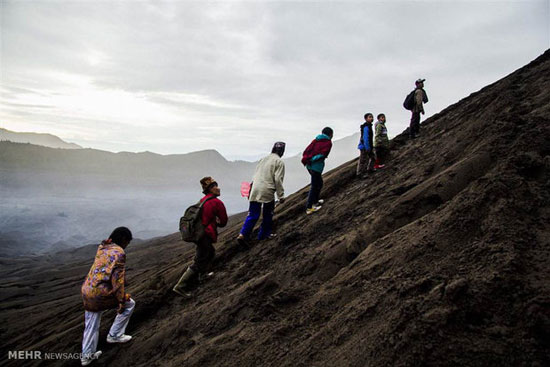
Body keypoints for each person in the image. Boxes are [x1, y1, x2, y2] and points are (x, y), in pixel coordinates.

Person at [80, 227, 135, 366]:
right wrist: (121, 299)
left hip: (87, 290)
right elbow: (118, 281)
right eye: (127, 242)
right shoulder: (120, 253)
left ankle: (86, 356)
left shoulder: (103, 247)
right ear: (123, 239)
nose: (126, 246)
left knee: (91, 323)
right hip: (100, 293)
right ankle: (115, 335)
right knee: (129, 304)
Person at [173, 177, 228, 297]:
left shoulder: (203, 200)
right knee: (201, 259)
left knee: (209, 253)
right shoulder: (216, 202)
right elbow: (224, 221)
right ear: (210, 189)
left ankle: (201, 276)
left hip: (198, 234)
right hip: (205, 235)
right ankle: (180, 286)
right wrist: (217, 222)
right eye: (214, 186)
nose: (218, 188)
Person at [237, 142, 286, 250]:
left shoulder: (263, 159)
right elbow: (278, 179)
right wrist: (281, 196)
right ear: (282, 151)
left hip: (255, 188)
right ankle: (264, 235)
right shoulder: (279, 162)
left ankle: (243, 234)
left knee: (253, 214)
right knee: (268, 213)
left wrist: (250, 190)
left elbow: (256, 175)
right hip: (267, 189)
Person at [302, 127, 333, 215]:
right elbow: (323, 154)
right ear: (330, 134)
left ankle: (315, 201)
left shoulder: (315, 140)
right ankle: (309, 207)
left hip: (309, 165)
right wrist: (313, 159)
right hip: (316, 166)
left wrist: (309, 159)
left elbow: (307, 151)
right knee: (315, 186)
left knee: (319, 183)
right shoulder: (328, 142)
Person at [356, 113, 375, 178]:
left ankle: (370, 169)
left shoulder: (369, 126)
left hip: (368, 146)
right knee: (363, 160)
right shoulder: (366, 127)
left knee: (373, 157)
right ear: (366, 119)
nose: (371, 118)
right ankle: (360, 173)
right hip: (364, 146)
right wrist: (367, 147)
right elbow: (365, 138)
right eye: (370, 117)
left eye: (372, 117)